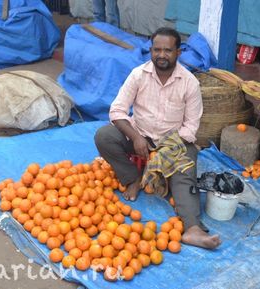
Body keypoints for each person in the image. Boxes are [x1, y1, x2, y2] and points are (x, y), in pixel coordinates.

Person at [94, 27, 221, 249]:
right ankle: (133, 178)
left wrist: (165, 149)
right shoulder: (138, 75)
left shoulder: (190, 83)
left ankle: (192, 228)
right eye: (157, 50)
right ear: (151, 51)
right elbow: (116, 111)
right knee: (104, 136)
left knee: (185, 172)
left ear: (178, 52)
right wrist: (135, 137)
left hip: (173, 142)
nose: (161, 55)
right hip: (140, 137)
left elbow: (191, 128)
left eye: (167, 50)